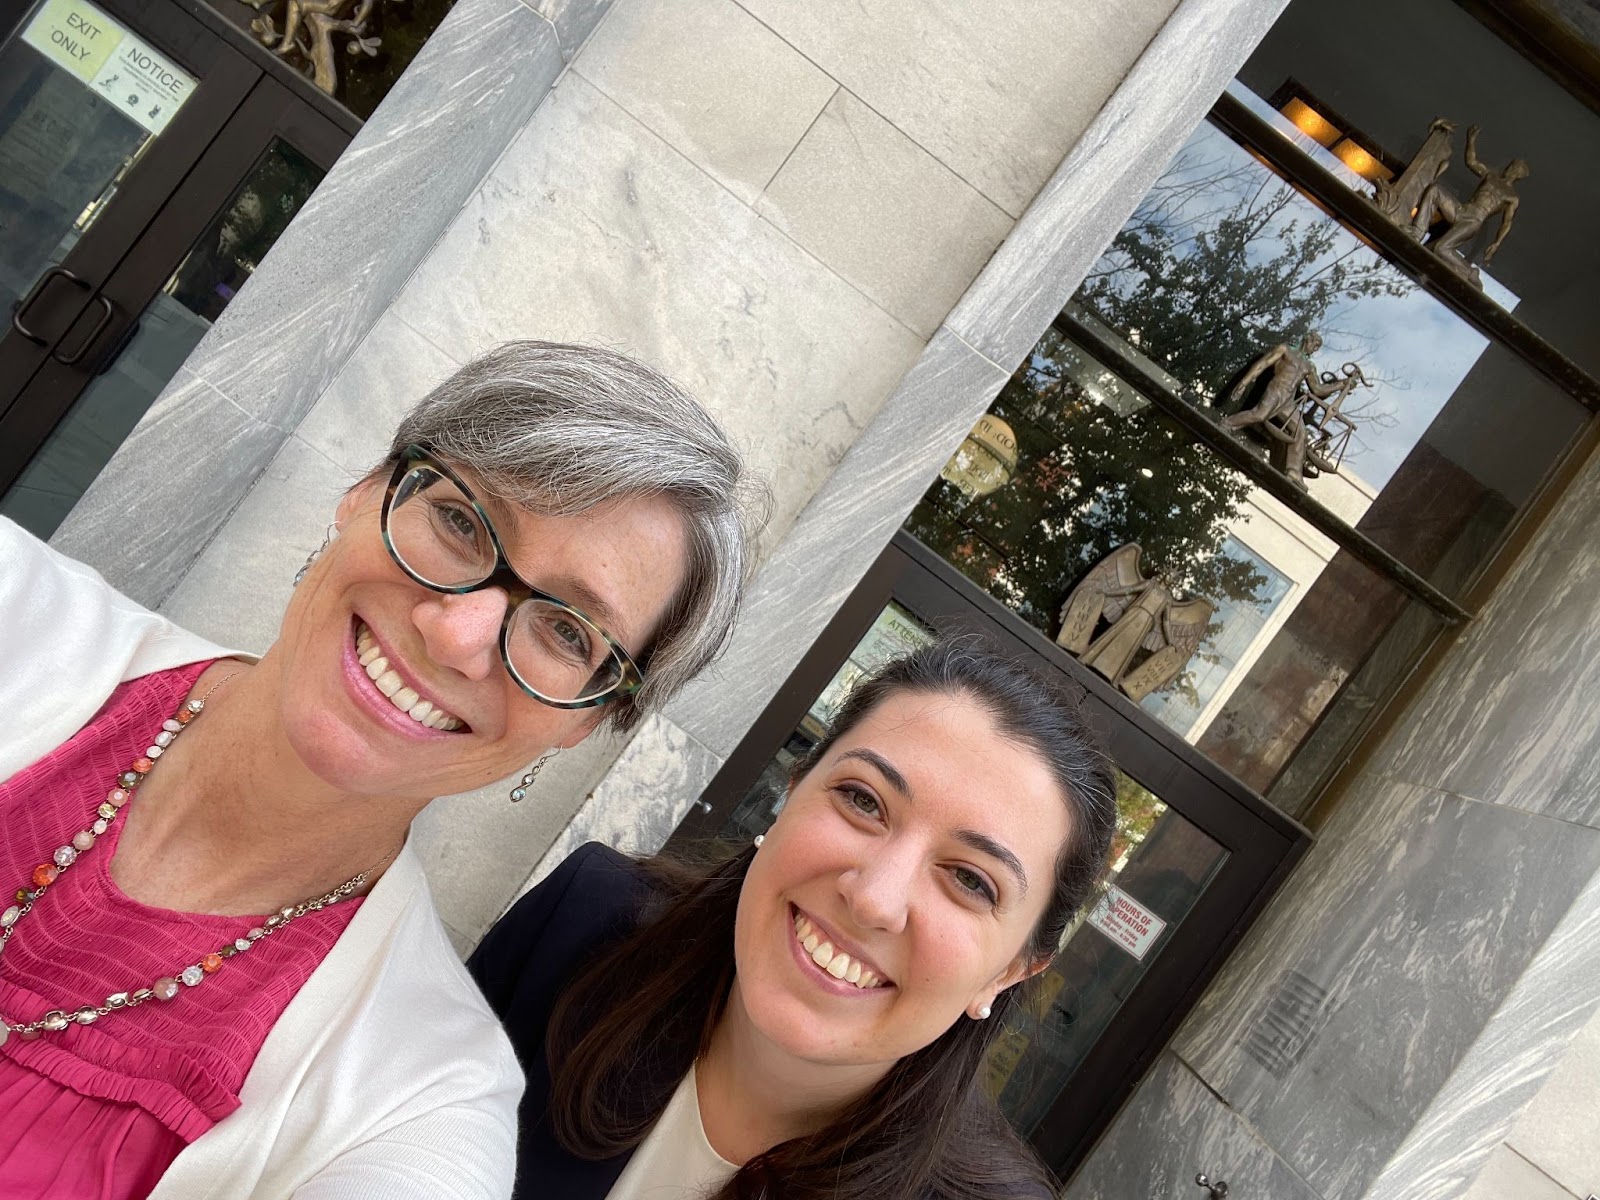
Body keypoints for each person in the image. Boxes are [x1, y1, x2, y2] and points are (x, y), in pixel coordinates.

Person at [0, 340, 764, 1199]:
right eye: (462, 522)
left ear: (583, 723)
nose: (456, 635)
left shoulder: (426, 1106)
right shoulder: (17, 609)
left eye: (567, 632)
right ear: (364, 491)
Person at [470, 636, 1118, 1200]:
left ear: (1007, 973)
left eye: (971, 880)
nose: (873, 899)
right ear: (791, 789)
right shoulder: (582, 922)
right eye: (863, 800)